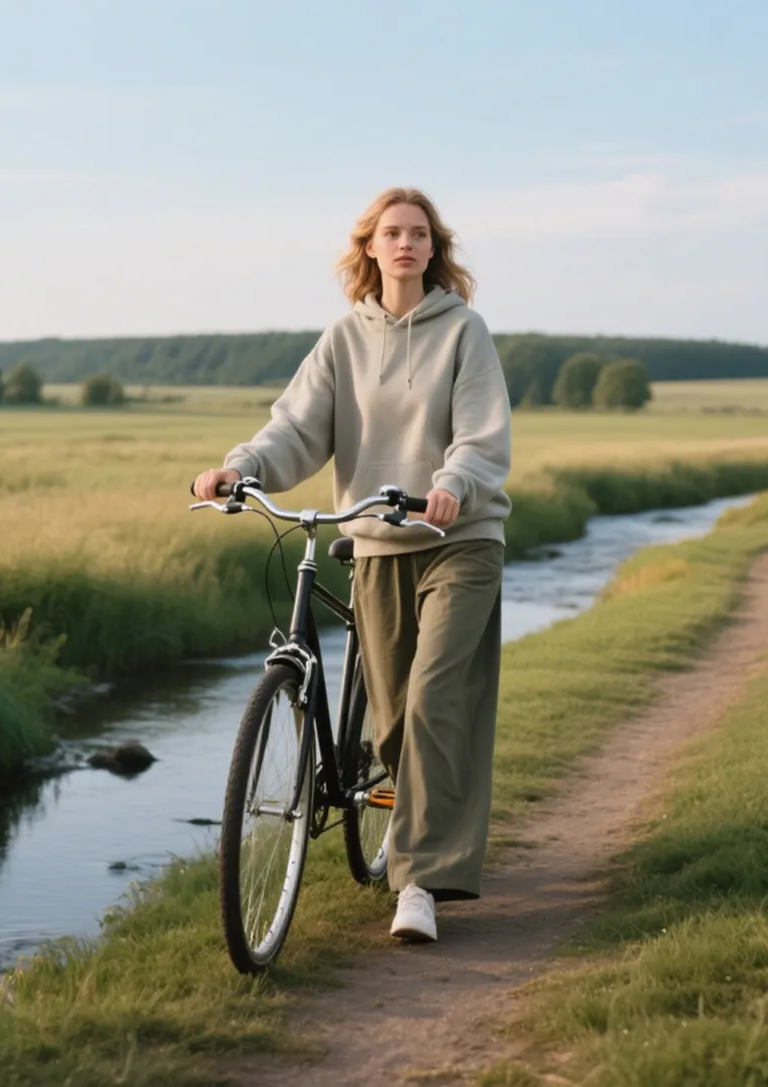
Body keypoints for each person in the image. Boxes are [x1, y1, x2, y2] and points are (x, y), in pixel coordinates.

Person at [191, 187, 512, 944]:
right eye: (391, 233)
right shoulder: (343, 337)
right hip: (376, 543)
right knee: (396, 719)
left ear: (435, 250)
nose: (405, 244)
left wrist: (451, 485)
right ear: (369, 246)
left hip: (457, 540)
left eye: (418, 234)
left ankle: (419, 882)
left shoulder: (464, 331)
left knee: (434, 700)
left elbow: (481, 433)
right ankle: (413, 834)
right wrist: (242, 470)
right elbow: (297, 426)